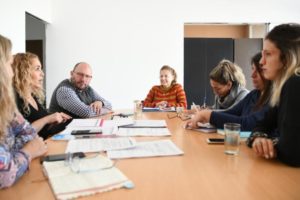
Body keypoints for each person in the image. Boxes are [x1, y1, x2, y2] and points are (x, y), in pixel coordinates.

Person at [247, 23, 300, 167]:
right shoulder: (282, 87)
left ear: (287, 58)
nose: (261, 61)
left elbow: (292, 153)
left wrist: (270, 144)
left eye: (268, 54)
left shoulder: (295, 83)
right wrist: (259, 139)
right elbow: (262, 125)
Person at [0, 34, 47, 189]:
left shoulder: (5, 103)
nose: (12, 73)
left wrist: (13, 156)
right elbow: (4, 175)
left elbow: (29, 134)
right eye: (9, 64)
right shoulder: (13, 97)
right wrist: (28, 151)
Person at [185, 52, 272, 131]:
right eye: (253, 69)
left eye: (260, 70)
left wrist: (208, 115)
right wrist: (204, 114)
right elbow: (232, 113)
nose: (252, 75)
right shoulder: (253, 94)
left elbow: (246, 123)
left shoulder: (272, 99)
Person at [12, 53, 72, 139]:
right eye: (37, 69)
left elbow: (42, 127)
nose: (42, 74)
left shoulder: (33, 96)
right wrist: (47, 119)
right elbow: (22, 135)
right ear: (23, 72)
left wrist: (56, 118)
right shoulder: (14, 98)